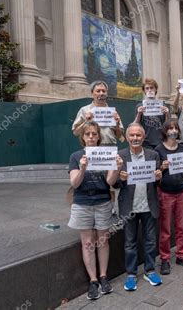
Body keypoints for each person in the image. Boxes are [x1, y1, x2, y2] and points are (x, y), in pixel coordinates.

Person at [107, 123, 163, 291]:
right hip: (128, 207)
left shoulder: (153, 155)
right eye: (132, 135)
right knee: (129, 243)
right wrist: (120, 178)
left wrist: (159, 176)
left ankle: (150, 270)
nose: (135, 138)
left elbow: (158, 182)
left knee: (151, 241)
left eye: (138, 135)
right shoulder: (120, 156)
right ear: (128, 137)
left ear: (144, 137)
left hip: (149, 205)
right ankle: (131, 274)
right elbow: (114, 185)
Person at [68, 121, 116, 300]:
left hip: (103, 200)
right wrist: (82, 168)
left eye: (94, 134)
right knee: (88, 242)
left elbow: (111, 182)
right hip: (82, 202)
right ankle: (93, 280)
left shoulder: (106, 154)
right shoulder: (75, 156)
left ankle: (103, 276)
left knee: (103, 240)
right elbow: (74, 183)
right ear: (83, 137)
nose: (91, 137)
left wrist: (116, 168)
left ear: (98, 136)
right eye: (87, 134)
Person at [154, 120, 183, 274]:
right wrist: (161, 168)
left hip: (181, 191)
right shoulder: (158, 149)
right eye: (170, 128)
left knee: (181, 226)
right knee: (165, 228)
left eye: (175, 128)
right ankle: (164, 258)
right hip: (165, 192)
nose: (173, 131)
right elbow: (155, 173)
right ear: (165, 131)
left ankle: (181, 255)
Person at [72, 81, 124, 145]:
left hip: (109, 150)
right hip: (92, 149)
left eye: (103, 91)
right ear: (92, 93)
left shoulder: (113, 112)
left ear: (107, 94)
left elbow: (120, 136)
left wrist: (117, 124)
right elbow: (75, 132)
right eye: (98, 91)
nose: (101, 93)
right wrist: (86, 121)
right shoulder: (84, 110)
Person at [134, 78, 170, 149]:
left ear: (156, 89)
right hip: (145, 142)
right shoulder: (139, 106)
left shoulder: (163, 105)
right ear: (144, 90)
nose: (149, 90)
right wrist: (139, 114)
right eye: (147, 88)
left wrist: (167, 114)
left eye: (151, 88)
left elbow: (168, 126)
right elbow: (135, 125)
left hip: (160, 141)